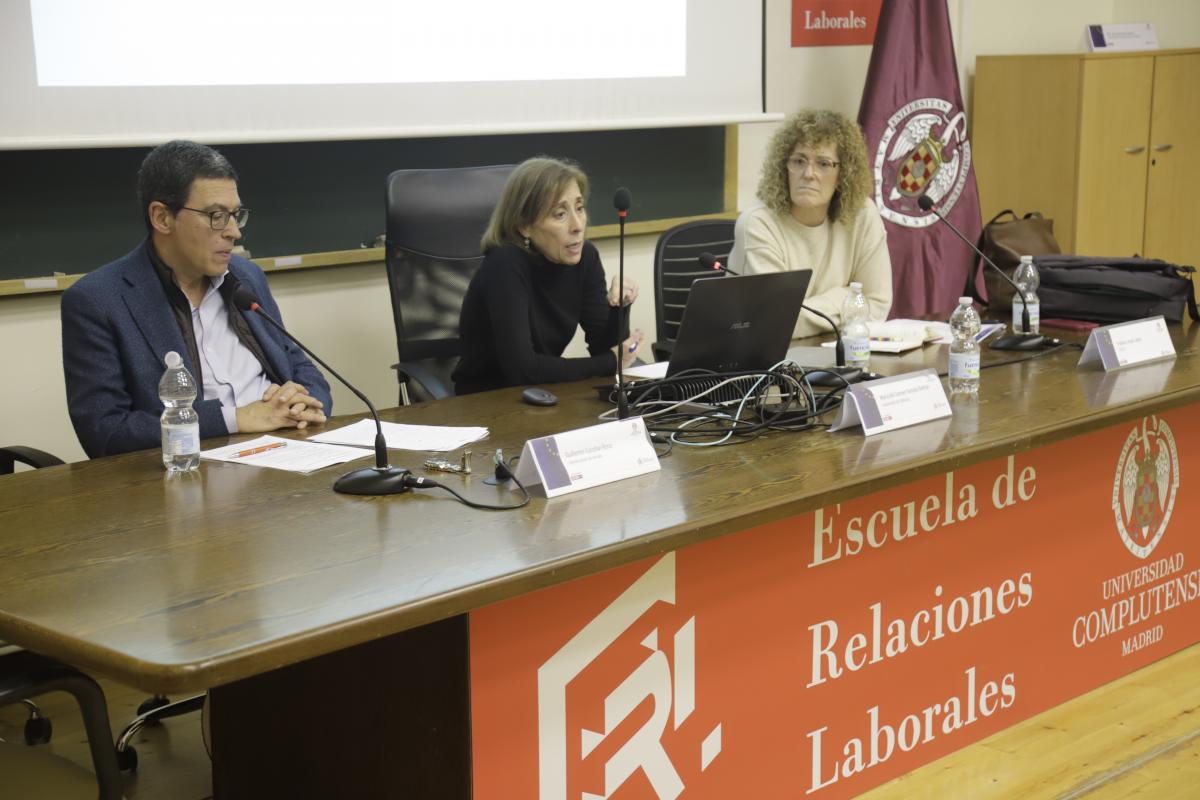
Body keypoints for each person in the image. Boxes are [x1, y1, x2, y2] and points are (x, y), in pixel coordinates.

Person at [61, 140, 332, 459]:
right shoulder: (98, 301)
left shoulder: (246, 277)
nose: (234, 232)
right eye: (216, 216)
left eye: (235, 215)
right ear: (162, 218)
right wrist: (236, 418)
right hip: (189, 471)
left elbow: (299, 366)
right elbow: (105, 433)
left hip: (288, 450)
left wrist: (302, 402)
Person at [452, 156, 643, 395]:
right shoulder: (505, 264)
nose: (577, 225)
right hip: (486, 403)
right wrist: (610, 361)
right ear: (524, 225)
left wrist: (619, 306)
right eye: (560, 214)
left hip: (544, 396)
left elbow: (604, 349)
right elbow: (524, 370)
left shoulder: (586, 258)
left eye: (579, 208)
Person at [731, 109, 893, 339]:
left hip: (835, 353)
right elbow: (774, 322)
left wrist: (805, 311)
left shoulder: (863, 215)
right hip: (763, 362)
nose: (808, 174)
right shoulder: (758, 224)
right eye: (798, 161)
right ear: (783, 166)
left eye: (824, 164)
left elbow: (877, 304)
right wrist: (846, 299)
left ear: (843, 173)